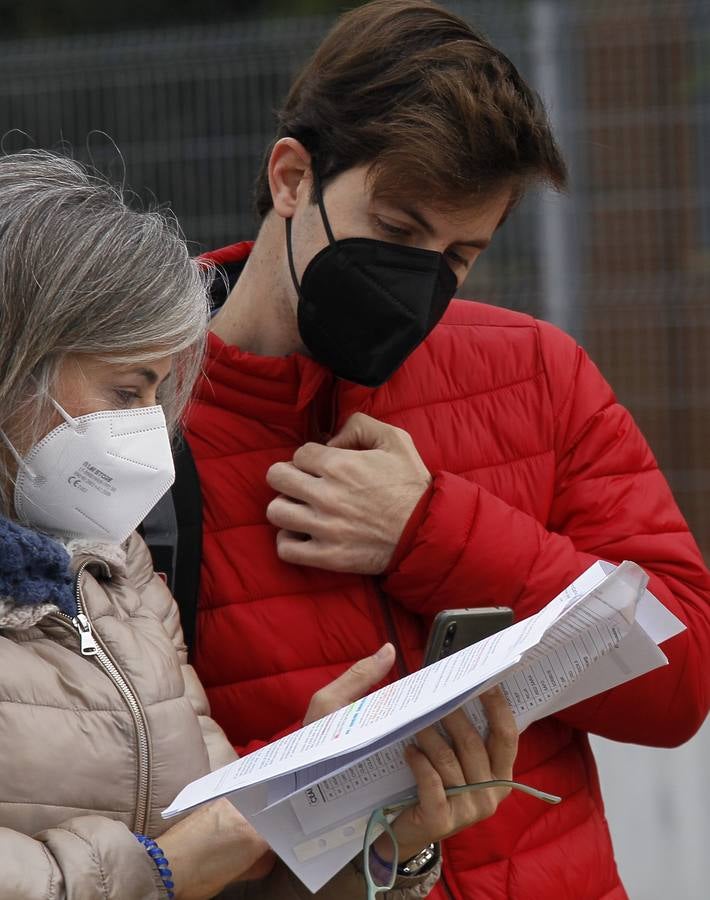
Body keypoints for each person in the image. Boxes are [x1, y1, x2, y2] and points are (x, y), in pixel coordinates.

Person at [180, 2, 710, 899]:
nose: (420, 278)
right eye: (396, 229)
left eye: (461, 253)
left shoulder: (536, 372)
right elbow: (112, 795)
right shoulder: (136, 415)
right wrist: (321, 776)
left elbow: (681, 678)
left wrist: (428, 533)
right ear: (292, 178)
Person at [0, 150, 521, 900]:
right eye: (124, 388)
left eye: (158, 394)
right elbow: (186, 863)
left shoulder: (120, 575)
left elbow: (227, 871)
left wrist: (362, 826)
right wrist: (165, 872)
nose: (148, 433)